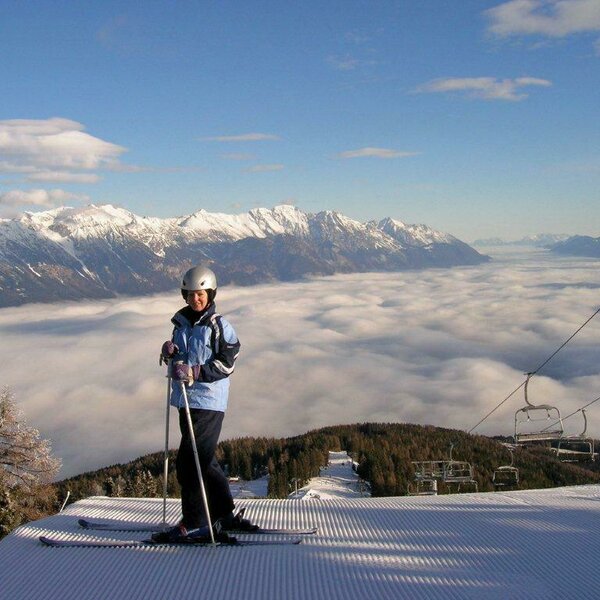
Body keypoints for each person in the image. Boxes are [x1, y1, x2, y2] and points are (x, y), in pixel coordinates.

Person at [152, 264, 254, 542]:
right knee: (204, 462)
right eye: (191, 294)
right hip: (185, 400)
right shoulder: (181, 324)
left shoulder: (218, 325)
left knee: (188, 464)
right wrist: (171, 351)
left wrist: (197, 372)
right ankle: (223, 514)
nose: (196, 299)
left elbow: (227, 363)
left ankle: (196, 521)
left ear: (210, 294)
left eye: (201, 294)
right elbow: (184, 356)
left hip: (209, 401)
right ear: (184, 294)